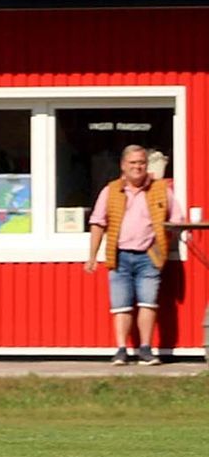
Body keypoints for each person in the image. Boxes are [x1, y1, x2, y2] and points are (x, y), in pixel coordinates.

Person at [85, 144, 182, 366]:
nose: (138, 167)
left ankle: (146, 350)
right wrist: (92, 256)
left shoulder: (161, 189)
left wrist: (162, 246)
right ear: (123, 166)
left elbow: (176, 222)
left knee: (149, 303)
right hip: (119, 256)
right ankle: (121, 350)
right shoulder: (110, 191)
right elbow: (98, 223)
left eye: (141, 163)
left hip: (149, 256)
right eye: (133, 163)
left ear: (147, 165)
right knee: (121, 306)